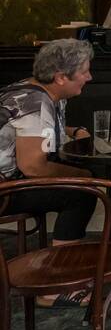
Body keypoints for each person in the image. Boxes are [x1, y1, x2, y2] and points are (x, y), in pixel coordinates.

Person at [0, 39, 95, 307]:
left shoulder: (35, 91)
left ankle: (62, 269)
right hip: (4, 188)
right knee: (81, 194)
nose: (89, 77)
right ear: (61, 77)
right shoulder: (36, 101)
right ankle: (55, 287)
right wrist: (83, 176)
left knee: (80, 184)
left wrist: (70, 130)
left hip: (9, 179)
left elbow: (33, 129)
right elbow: (33, 166)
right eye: (85, 71)